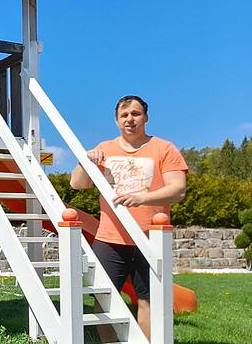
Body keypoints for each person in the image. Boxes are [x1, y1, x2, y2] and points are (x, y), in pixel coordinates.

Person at [70, 95, 187, 339]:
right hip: (109, 238)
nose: (130, 119)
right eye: (124, 115)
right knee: (103, 299)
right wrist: (85, 161)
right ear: (116, 120)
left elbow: (178, 190)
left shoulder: (164, 148)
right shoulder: (104, 149)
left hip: (150, 238)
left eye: (135, 114)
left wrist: (142, 198)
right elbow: (77, 184)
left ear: (146, 117)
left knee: (148, 300)